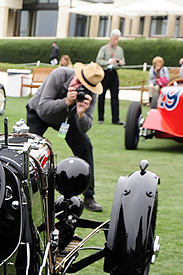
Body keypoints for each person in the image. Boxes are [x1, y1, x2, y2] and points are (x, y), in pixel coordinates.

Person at [26, 62, 105, 212]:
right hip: (38, 113)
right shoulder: (59, 75)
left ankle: (89, 196)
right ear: (77, 75)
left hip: (66, 119)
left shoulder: (91, 93)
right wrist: (67, 101)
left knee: (85, 146)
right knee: (30, 150)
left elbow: (85, 127)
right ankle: (27, 192)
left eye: (86, 87)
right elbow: (43, 109)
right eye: (79, 83)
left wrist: (81, 114)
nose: (80, 88)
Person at [95, 30, 125, 124]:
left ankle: (115, 119)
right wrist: (108, 62)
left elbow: (123, 61)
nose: (116, 41)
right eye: (114, 39)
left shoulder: (120, 50)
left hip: (114, 73)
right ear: (111, 38)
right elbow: (98, 60)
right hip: (105, 73)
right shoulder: (104, 48)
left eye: (117, 39)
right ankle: (101, 118)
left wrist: (120, 62)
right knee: (102, 95)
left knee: (115, 95)